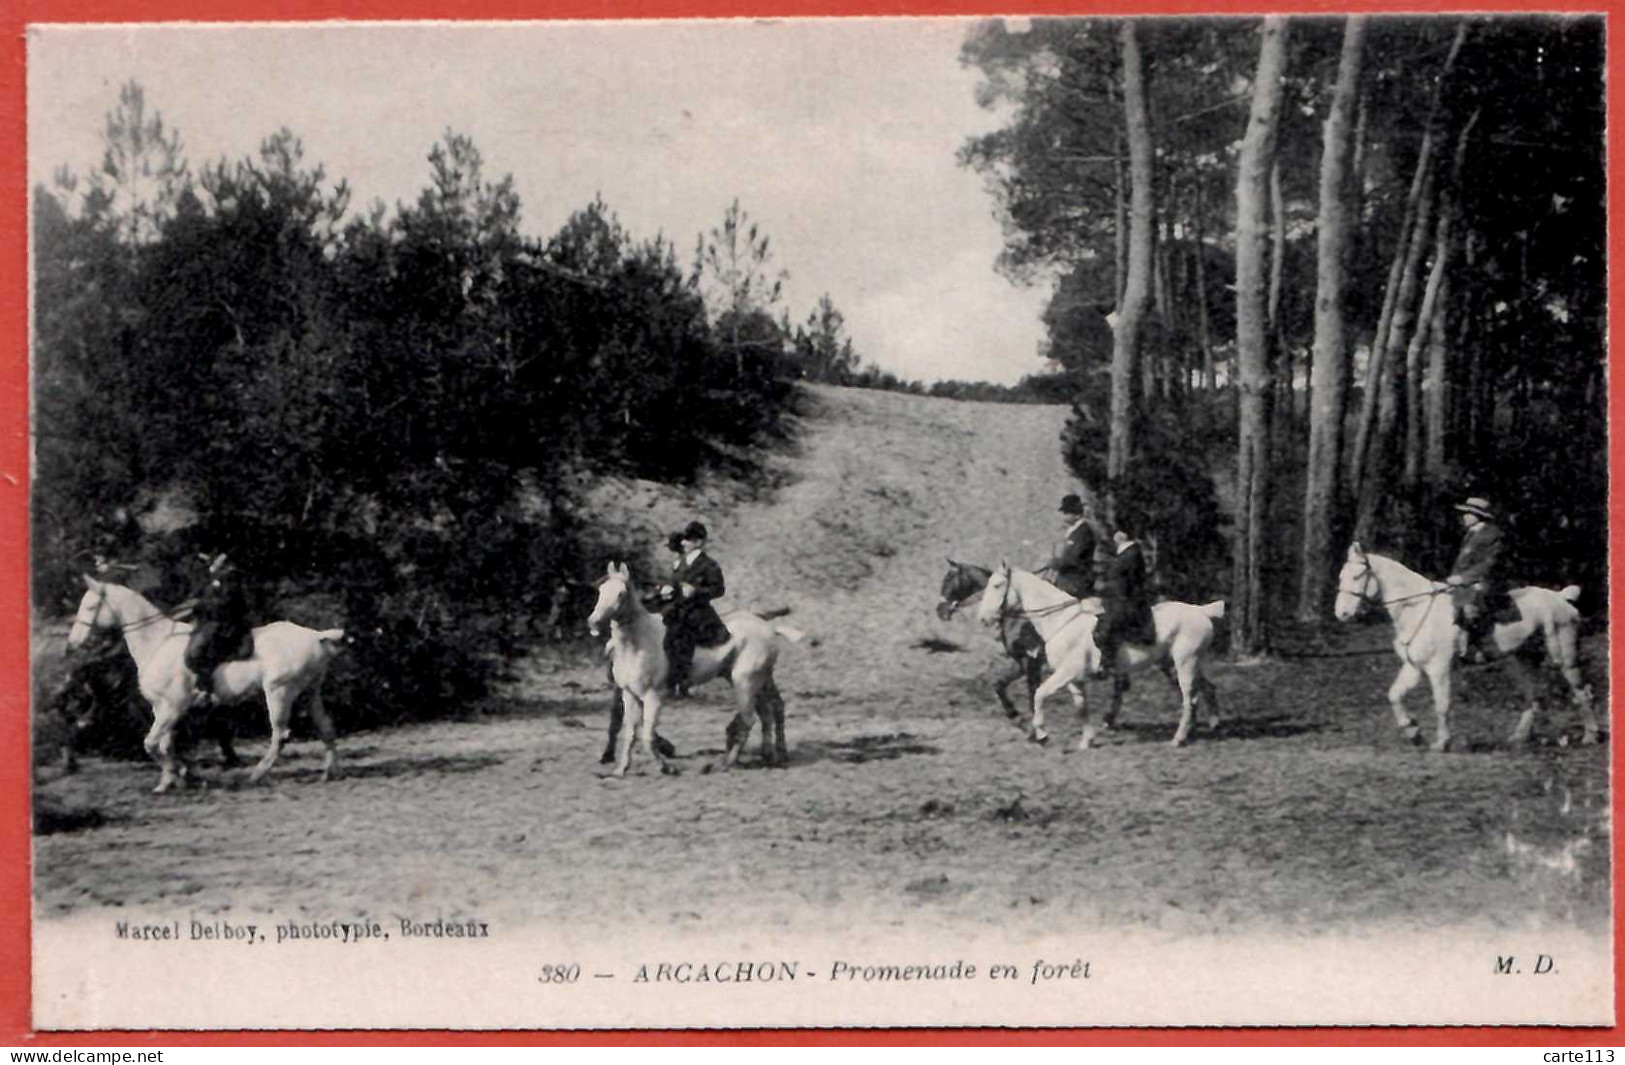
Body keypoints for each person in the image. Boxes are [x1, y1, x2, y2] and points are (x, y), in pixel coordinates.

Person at [659, 521, 729, 699]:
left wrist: (696, 591)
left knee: (682, 635)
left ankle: (680, 681)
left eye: (688, 540)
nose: (683, 543)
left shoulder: (709, 565)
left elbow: (718, 589)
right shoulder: (680, 563)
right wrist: (667, 590)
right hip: (676, 608)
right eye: (684, 540)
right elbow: (674, 583)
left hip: (699, 611)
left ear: (698, 542)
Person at [1446, 496, 1516, 663]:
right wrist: (1454, 579)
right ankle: (1455, 644)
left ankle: (1480, 648)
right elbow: (1463, 562)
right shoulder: (1471, 534)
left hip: (1486, 581)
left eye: (1468, 513)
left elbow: (1489, 563)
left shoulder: (1493, 535)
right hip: (1466, 582)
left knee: (1471, 604)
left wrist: (1463, 578)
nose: (1464, 517)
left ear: (1478, 515)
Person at [184, 553, 255, 707]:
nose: (212, 563)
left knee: (198, 650)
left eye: (215, 560)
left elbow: (226, 602)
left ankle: (206, 689)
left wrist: (202, 604)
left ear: (223, 563)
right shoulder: (214, 577)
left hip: (229, 625)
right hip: (212, 622)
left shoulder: (231, 577)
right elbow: (200, 595)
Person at [1093, 518, 1156, 678]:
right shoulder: (1125, 554)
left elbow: (1123, 584)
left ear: (1122, 535)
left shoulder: (1130, 554)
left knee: (1109, 622)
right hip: (1120, 599)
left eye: (1116, 533)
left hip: (1129, 602)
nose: (1114, 537)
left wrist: (1103, 590)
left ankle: (1106, 664)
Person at [1040, 493, 1098, 598]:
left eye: (1067, 512)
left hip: (1076, 584)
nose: (1063, 515)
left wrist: (1054, 562)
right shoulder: (1073, 531)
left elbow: (1073, 559)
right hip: (1067, 581)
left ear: (1077, 514)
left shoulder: (1084, 532)